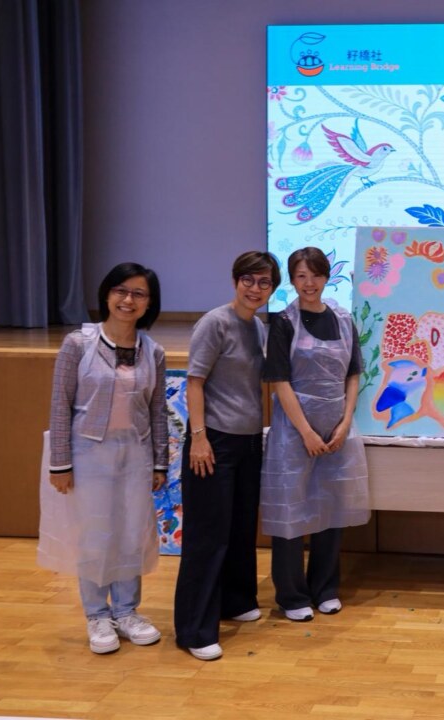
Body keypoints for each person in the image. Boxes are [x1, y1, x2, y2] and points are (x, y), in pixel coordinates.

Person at [41, 263, 167, 655]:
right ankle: (97, 614)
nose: (128, 300)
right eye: (121, 291)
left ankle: (127, 611)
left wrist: (160, 462)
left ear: (149, 303)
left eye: (139, 294)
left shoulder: (153, 351)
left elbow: (157, 411)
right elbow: (60, 405)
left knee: (131, 532)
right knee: (95, 535)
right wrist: (60, 463)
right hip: (88, 453)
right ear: (107, 294)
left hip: (136, 452)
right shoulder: (78, 344)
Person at [174, 251, 282, 661]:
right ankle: (194, 630)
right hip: (214, 441)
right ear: (235, 281)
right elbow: (195, 382)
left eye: (264, 283)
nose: (255, 289)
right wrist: (199, 438)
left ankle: (235, 600)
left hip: (248, 441)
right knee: (208, 536)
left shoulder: (257, 327)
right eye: (248, 280)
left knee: (239, 527)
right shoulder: (214, 322)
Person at [261, 247, 370, 622]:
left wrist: (345, 421)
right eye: (301, 276)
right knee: (291, 510)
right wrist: (305, 431)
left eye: (316, 275)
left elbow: (353, 373)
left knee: (331, 507)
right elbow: (279, 380)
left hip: (337, 427)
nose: (309, 283)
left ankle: (325, 588)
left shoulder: (343, 319)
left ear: (327, 277)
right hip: (295, 431)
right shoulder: (283, 322)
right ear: (292, 280)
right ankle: (291, 596)